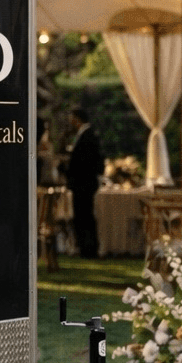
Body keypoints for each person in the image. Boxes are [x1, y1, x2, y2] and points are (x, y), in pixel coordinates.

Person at [66, 107, 105, 259]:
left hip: (83, 183)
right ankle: (85, 247)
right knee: (84, 215)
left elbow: (85, 161)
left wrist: (69, 169)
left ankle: (88, 249)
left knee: (84, 216)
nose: (70, 121)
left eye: (71, 117)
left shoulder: (87, 136)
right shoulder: (86, 135)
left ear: (77, 118)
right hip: (84, 183)